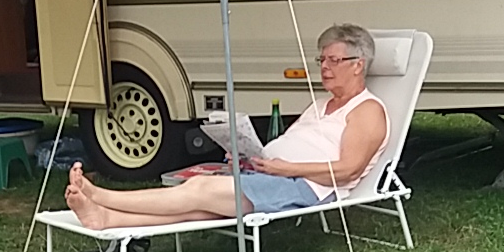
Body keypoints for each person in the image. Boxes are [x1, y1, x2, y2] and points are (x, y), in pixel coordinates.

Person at [64, 24, 389, 230]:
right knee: (202, 208)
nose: (324, 67)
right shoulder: (321, 104)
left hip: (302, 187)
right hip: (272, 174)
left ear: (357, 65)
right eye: (322, 60)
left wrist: (285, 169)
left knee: (198, 191)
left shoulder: (367, 111)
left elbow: (347, 170)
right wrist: (251, 158)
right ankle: (107, 219)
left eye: (333, 60)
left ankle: (102, 196)